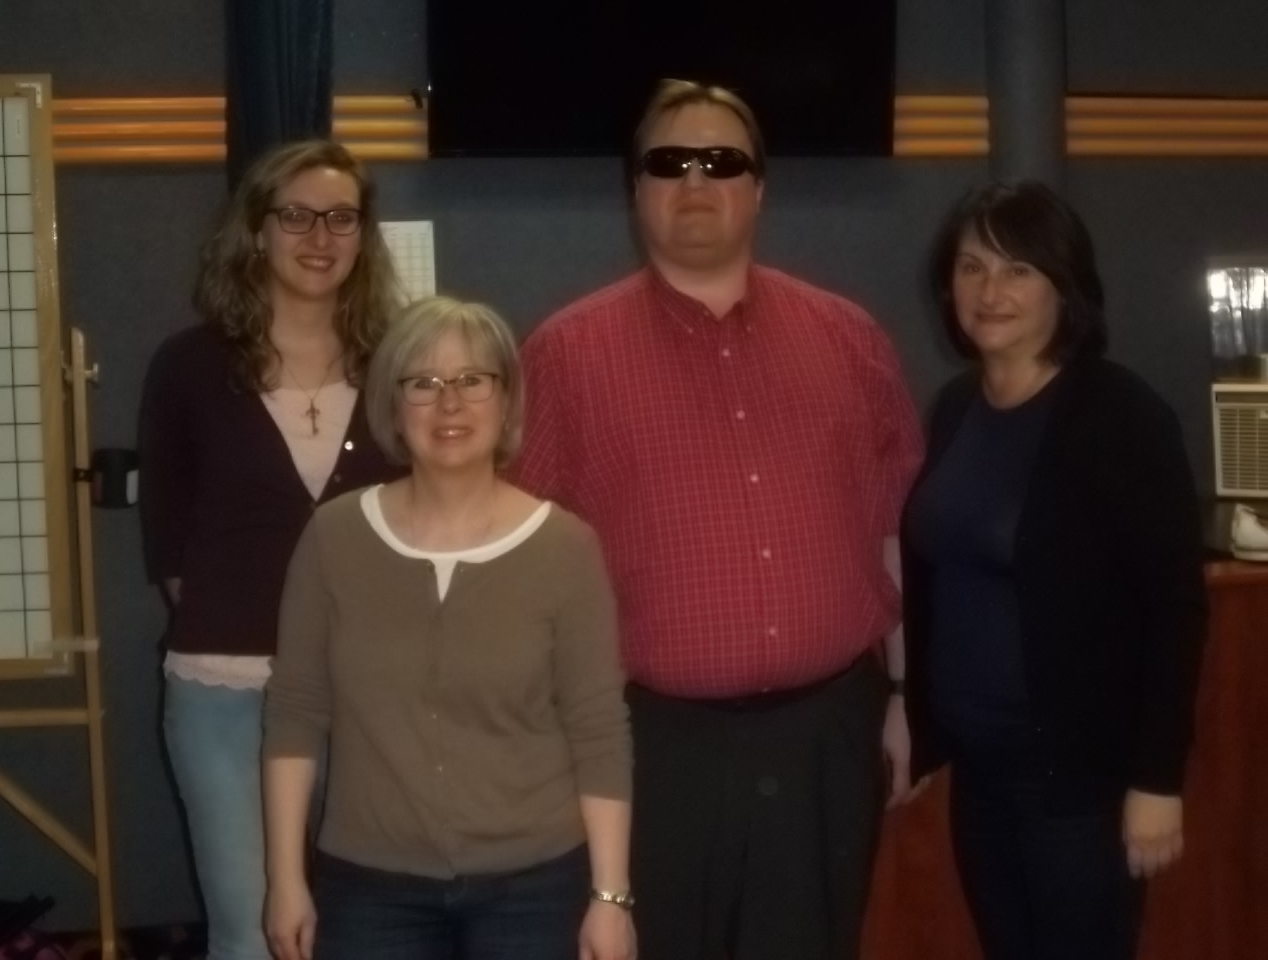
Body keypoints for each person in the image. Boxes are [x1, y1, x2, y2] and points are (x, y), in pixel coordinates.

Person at [511, 79, 923, 960]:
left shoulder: (850, 339)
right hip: (651, 749)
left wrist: (901, 695)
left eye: (721, 162)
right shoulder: (563, 356)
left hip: (827, 738)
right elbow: (521, 570)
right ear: (637, 190)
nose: (695, 181)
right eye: (669, 163)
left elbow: (893, 531)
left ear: (759, 189)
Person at [262, 296, 635, 960]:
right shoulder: (333, 538)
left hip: (536, 890)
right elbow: (296, 711)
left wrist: (610, 898)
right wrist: (285, 879)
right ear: (393, 406)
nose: (450, 403)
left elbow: (598, 728)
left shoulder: (565, 549)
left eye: (472, 379)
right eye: (424, 383)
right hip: (369, 891)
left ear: (506, 401)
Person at [902, 181, 1208, 960]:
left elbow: (1175, 611)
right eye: (972, 267)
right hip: (980, 773)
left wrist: (1158, 782)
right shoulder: (956, 408)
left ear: (1064, 287)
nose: (990, 291)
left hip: (1076, 783)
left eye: (1018, 270)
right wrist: (916, 718)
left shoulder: (1121, 416)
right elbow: (934, 575)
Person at [138, 139, 403, 960]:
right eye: (295, 215)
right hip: (228, 698)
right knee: (258, 935)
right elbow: (169, 547)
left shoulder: (402, 363)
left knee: (366, 932)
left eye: (341, 218)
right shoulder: (187, 367)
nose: (319, 237)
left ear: (363, 236)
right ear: (256, 229)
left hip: (372, 697)